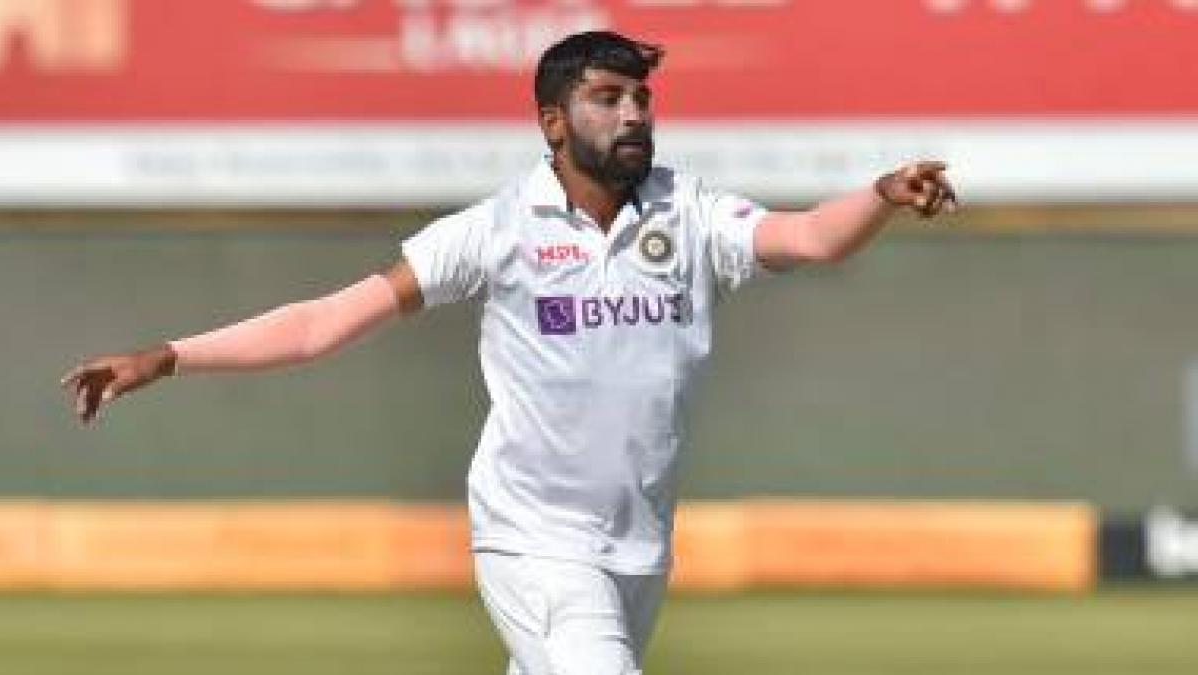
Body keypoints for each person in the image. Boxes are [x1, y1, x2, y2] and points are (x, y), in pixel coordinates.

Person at [61, 30, 956, 675]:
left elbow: (809, 239)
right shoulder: (494, 231)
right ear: (552, 122)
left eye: (641, 96)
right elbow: (323, 322)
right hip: (532, 539)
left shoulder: (690, 212)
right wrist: (165, 356)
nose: (633, 112)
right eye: (607, 97)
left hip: (640, 545)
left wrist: (878, 192)